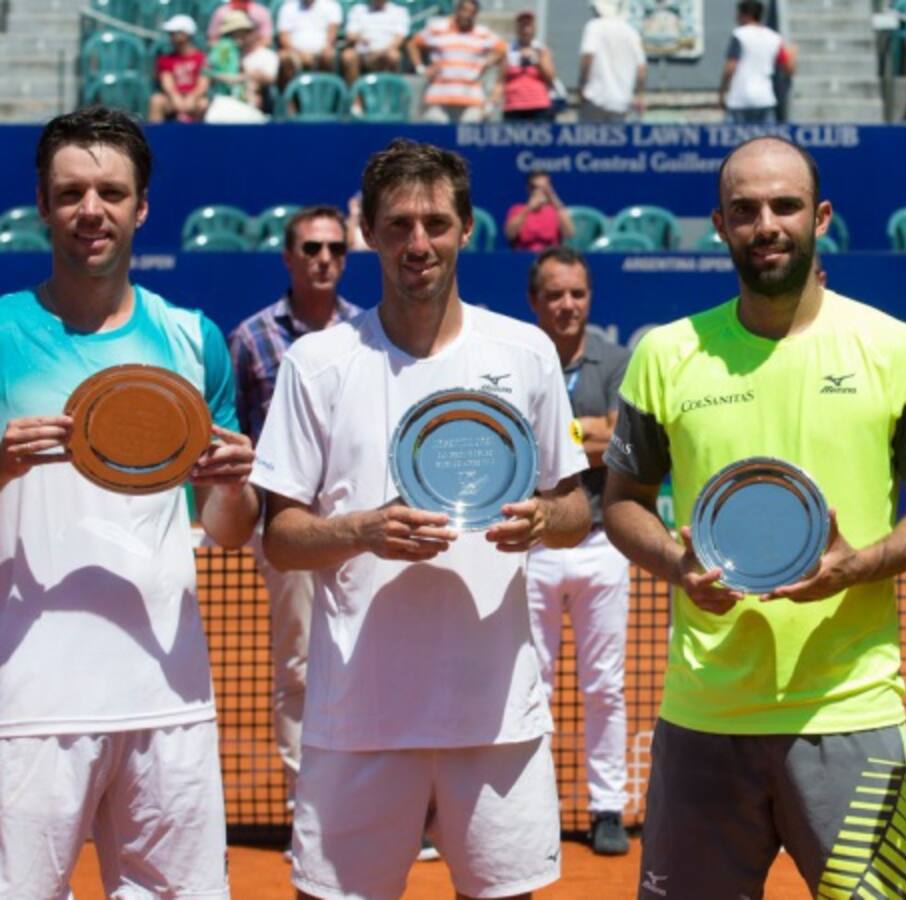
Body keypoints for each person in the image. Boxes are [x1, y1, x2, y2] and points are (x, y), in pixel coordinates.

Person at [602, 135, 906, 899]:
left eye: (785, 206)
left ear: (820, 216)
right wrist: (677, 565)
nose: (766, 223)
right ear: (719, 224)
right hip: (705, 714)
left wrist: (857, 565)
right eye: (745, 210)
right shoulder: (665, 354)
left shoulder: (897, 348)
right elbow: (622, 504)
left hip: (853, 712)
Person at [250, 139, 591, 900]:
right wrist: (361, 530)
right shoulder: (319, 363)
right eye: (398, 224)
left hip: (497, 717)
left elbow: (575, 507)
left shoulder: (526, 351)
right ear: (367, 231)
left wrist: (542, 520)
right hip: (356, 720)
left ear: (467, 228)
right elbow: (280, 534)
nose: (418, 243)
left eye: (436, 222)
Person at [0, 106, 258, 898]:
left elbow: (227, 530)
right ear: (41, 205)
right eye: (71, 191)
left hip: (167, 697)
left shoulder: (192, 339)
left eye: (111, 192)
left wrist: (234, 484)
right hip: (27, 701)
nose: (91, 210)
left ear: (141, 206)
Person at [227, 206, 362, 824]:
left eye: (335, 249)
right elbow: (235, 434)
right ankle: (309, 805)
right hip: (285, 530)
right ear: (288, 257)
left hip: (362, 532)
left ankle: (374, 801)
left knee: (369, 654)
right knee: (301, 663)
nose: (324, 259)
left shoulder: (368, 332)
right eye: (311, 248)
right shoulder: (251, 337)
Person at [525, 247, 632, 857]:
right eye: (555, 295)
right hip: (532, 549)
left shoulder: (616, 360)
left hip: (601, 544)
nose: (568, 305)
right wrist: (584, 431)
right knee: (529, 685)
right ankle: (534, 807)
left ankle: (606, 807)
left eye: (577, 294)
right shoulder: (519, 359)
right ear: (535, 301)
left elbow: (618, 440)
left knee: (604, 685)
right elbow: (516, 436)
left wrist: (554, 435)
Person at [407, 0, 506, 124]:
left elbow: (502, 48)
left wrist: (487, 61)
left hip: (471, 99)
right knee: (435, 139)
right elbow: (413, 44)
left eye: (472, 12)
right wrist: (421, 68)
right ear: (457, 11)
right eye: (465, 10)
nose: (467, 15)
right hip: (439, 97)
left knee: (468, 138)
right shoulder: (438, 28)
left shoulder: (482, 33)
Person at [720, 0, 794, 125]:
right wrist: (793, 54)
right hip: (765, 98)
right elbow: (788, 68)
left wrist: (722, 92)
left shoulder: (739, 35)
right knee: (765, 141)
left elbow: (730, 67)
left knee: (736, 143)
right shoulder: (774, 37)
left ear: (745, 15)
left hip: (740, 98)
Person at [579, 0, 647, 123]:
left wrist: (582, 86)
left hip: (595, 97)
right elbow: (641, 67)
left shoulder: (594, 26)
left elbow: (588, 56)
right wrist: (639, 95)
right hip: (622, 101)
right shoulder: (631, 32)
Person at [495, 9, 557, 121]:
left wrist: (536, 61)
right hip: (513, 106)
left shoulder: (541, 49)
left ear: (534, 28)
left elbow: (551, 79)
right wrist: (491, 103)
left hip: (539, 106)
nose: (525, 30)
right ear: (517, 28)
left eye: (528, 26)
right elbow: (500, 81)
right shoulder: (508, 50)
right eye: (522, 26)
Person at [148, 14, 210, 123]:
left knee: (204, 104)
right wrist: (175, 97)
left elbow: (203, 82)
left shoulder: (201, 58)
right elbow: (167, 81)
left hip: (194, 99)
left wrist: (192, 97)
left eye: (174, 33)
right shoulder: (166, 59)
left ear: (186, 34)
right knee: (156, 101)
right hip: (173, 99)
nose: (171, 36)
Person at [341, 0, 411, 87]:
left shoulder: (400, 11)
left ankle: (390, 92)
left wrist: (383, 51)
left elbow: (399, 38)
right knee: (348, 56)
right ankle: (355, 94)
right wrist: (360, 39)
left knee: (394, 56)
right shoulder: (358, 10)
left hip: (385, 52)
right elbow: (350, 35)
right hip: (362, 53)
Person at [276, 0, 342, 89]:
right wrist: (300, 54)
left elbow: (332, 35)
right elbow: (283, 37)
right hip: (295, 53)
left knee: (328, 56)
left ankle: (325, 92)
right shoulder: (288, 7)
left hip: (321, 52)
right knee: (284, 58)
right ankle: (290, 98)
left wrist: (319, 52)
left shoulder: (331, 6)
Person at [505, 170, 575, 252]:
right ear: (528, 188)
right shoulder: (517, 209)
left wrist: (554, 199)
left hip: (551, 256)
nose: (540, 191)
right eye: (535, 187)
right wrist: (528, 209)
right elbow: (510, 235)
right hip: (524, 257)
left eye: (545, 187)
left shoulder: (556, 210)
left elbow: (569, 233)